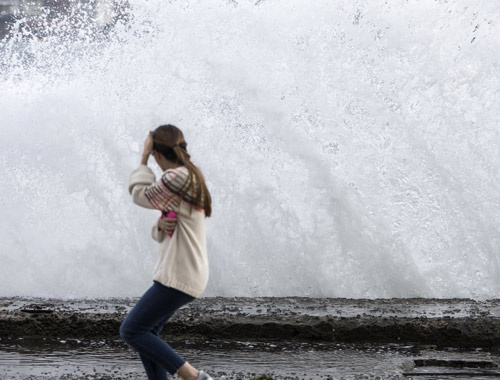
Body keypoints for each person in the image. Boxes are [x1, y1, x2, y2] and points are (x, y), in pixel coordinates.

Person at [120, 124, 213, 380]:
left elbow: (140, 195)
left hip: (180, 274)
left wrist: (142, 158)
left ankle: (194, 376)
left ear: (157, 155)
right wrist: (160, 225)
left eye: (153, 156)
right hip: (187, 272)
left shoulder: (177, 177)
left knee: (131, 331)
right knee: (146, 333)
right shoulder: (190, 176)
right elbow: (173, 223)